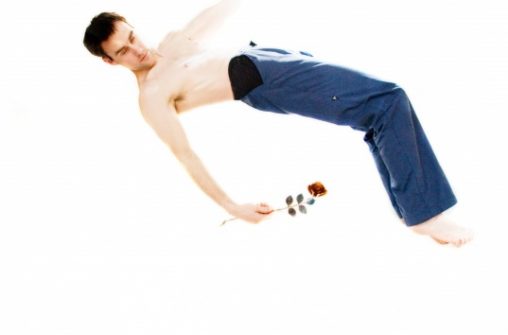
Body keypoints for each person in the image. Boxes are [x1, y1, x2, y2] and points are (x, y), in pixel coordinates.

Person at [82, 1, 474, 246]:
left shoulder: (169, 43)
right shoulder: (151, 97)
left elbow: (221, 10)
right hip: (265, 80)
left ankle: (412, 211)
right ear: (110, 61)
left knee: (376, 113)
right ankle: (424, 215)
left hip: (269, 56)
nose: (138, 50)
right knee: (387, 100)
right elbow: (186, 155)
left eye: (133, 37)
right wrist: (233, 206)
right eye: (124, 51)